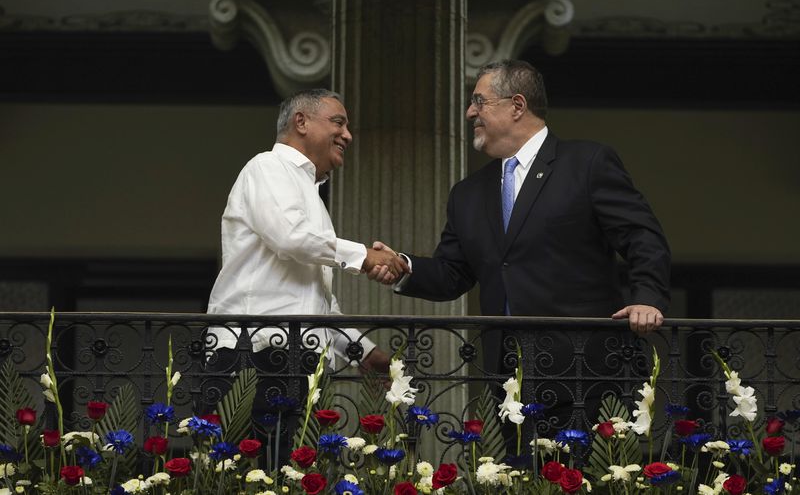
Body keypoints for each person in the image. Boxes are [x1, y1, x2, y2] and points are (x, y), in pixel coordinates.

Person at [371, 59, 670, 425]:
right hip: (508, 380)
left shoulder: (586, 163)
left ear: (517, 105)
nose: (470, 112)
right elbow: (453, 274)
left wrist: (646, 298)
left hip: (588, 373)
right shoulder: (467, 194)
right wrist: (406, 268)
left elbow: (642, 235)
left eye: (479, 101)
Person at [204, 89, 406, 417]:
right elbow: (290, 237)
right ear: (301, 122)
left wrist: (364, 352)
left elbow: (318, 301)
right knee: (247, 465)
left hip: (295, 362)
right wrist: (364, 255)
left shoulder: (309, 193)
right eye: (338, 123)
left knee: (288, 467)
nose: (348, 135)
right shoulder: (267, 166)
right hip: (251, 355)